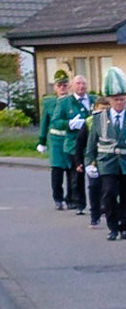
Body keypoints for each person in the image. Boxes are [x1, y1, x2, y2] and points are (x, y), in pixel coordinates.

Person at [85, 68, 126, 241]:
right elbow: (91, 144)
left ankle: (125, 227)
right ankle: (112, 227)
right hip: (107, 162)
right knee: (109, 194)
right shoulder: (99, 118)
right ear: (109, 100)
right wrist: (89, 162)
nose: (119, 102)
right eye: (116, 100)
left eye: (122, 99)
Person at [36, 70, 78, 210]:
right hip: (55, 140)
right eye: (59, 85)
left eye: (65, 85)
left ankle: (71, 198)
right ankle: (58, 198)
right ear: (55, 87)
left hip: (70, 138)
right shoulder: (49, 102)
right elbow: (45, 122)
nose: (62, 88)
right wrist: (42, 141)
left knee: (72, 170)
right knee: (57, 170)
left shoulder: (73, 101)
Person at [57, 75, 95, 219]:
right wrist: (69, 124)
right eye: (78, 83)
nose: (81, 86)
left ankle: (99, 205)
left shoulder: (93, 99)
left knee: (96, 176)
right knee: (76, 176)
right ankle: (79, 204)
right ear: (72, 86)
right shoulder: (65, 102)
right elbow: (56, 121)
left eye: (84, 84)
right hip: (73, 144)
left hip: (92, 144)